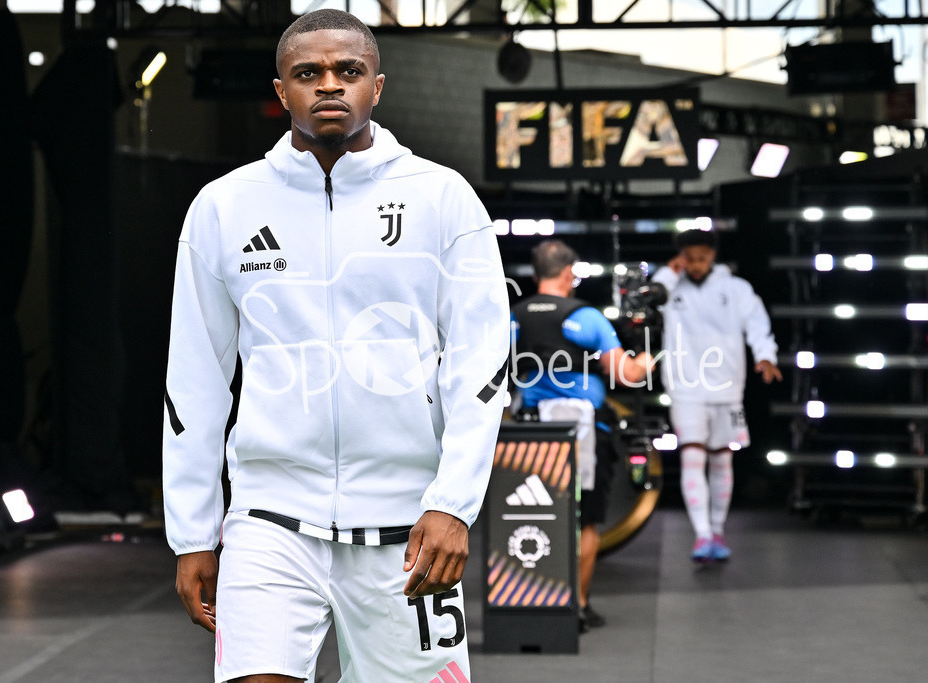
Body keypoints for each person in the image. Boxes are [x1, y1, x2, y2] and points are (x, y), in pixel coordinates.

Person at [162, 10, 510, 682]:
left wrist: (453, 502)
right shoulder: (223, 207)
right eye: (308, 73)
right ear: (282, 90)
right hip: (268, 520)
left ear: (376, 86)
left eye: (348, 71)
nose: (329, 85)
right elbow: (196, 380)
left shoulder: (443, 199)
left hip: (410, 527)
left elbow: (481, 365)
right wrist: (194, 532)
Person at [510, 239, 653, 632]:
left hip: (527, 432)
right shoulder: (586, 316)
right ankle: (578, 605)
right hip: (582, 433)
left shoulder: (513, 315)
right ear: (569, 273)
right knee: (584, 520)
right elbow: (626, 373)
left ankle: (527, 600)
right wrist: (647, 356)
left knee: (530, 514)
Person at [651, 228, 781, 563]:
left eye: (702, 258)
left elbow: (757, 323)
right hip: (685, 387)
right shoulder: (668, 287)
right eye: (689, 258)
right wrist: (668, 272)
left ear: (713, 255)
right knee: (692, 457)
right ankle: (702, 534)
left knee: (722, 459)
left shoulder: (735, 289)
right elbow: (646, 300)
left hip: (727, 388)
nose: (696, 265)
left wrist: (765, 355)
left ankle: (717, 529)